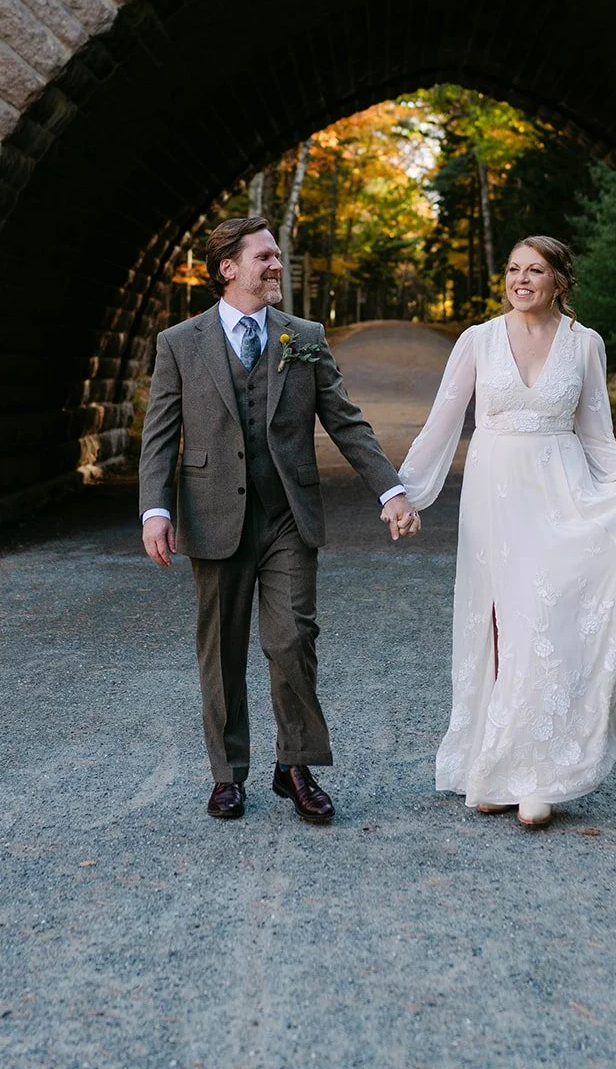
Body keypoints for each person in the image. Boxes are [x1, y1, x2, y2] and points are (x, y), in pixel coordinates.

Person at [139, 215, 420, 825]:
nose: (276, 267)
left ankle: (296, 767)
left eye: (278, 257)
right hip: (214, 515)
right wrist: (156, 510)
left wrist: (390, 491)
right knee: (222, 650)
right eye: (264, 257)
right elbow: (159, 436)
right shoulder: (180, 343)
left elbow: (345, 420)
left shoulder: (304, 336)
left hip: (287, 515)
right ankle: (227, 773)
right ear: (228, 269)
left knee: (292, 638)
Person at [399, 235, 616, 829]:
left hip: (562, 490)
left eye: (535, 270)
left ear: (558, 280)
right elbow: (442, 424)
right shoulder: (477, 340)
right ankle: (490, 769)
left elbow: (597, 432)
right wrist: (405, 495)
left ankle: (540, 774)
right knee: (500, 625)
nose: (521, 280)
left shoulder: (584, 344)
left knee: (546, 622)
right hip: (495, 496)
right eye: (514, 270)